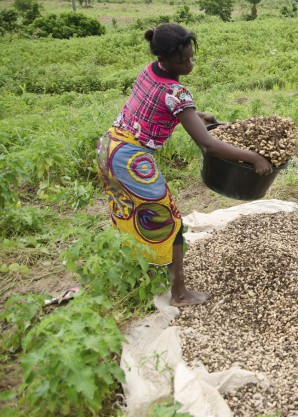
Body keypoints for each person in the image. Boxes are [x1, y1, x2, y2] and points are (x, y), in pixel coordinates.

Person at [96, 23, 272, 307]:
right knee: (171, 222)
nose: (189, 64)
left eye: (191, 57)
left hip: (108, 147)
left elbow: (153, 103)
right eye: (182, 60)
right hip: (130, 159)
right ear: (165, 58)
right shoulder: (177, 93)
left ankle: (136, 270)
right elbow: (208, 145)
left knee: (127, 211)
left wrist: (193, 114)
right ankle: (179, 293)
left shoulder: (150, 71)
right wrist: (254, 158)